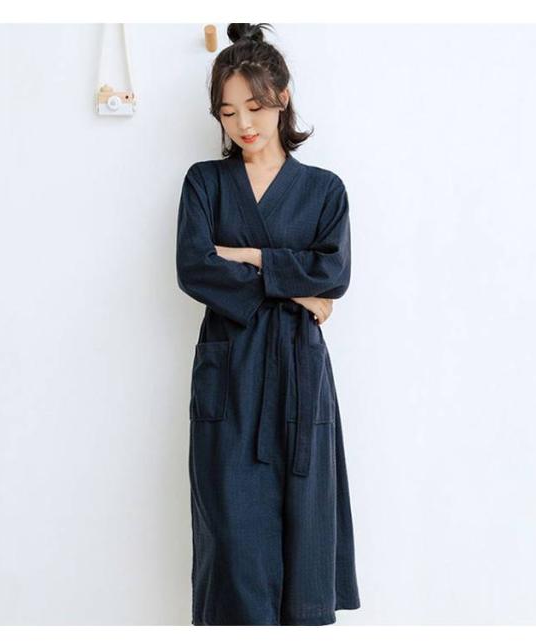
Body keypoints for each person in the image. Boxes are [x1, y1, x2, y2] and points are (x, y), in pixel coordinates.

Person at [176, 22, 360, 626]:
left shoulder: (325, 190)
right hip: (229, 376)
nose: (243, 125)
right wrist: (295, 286)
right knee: (232, 543)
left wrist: (249, 255)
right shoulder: (205, 183)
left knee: (302, 534)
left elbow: (333, 274)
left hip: (299, 376)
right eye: (228, 112)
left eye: (253, 107)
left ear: (282, 97)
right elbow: (194, 267)